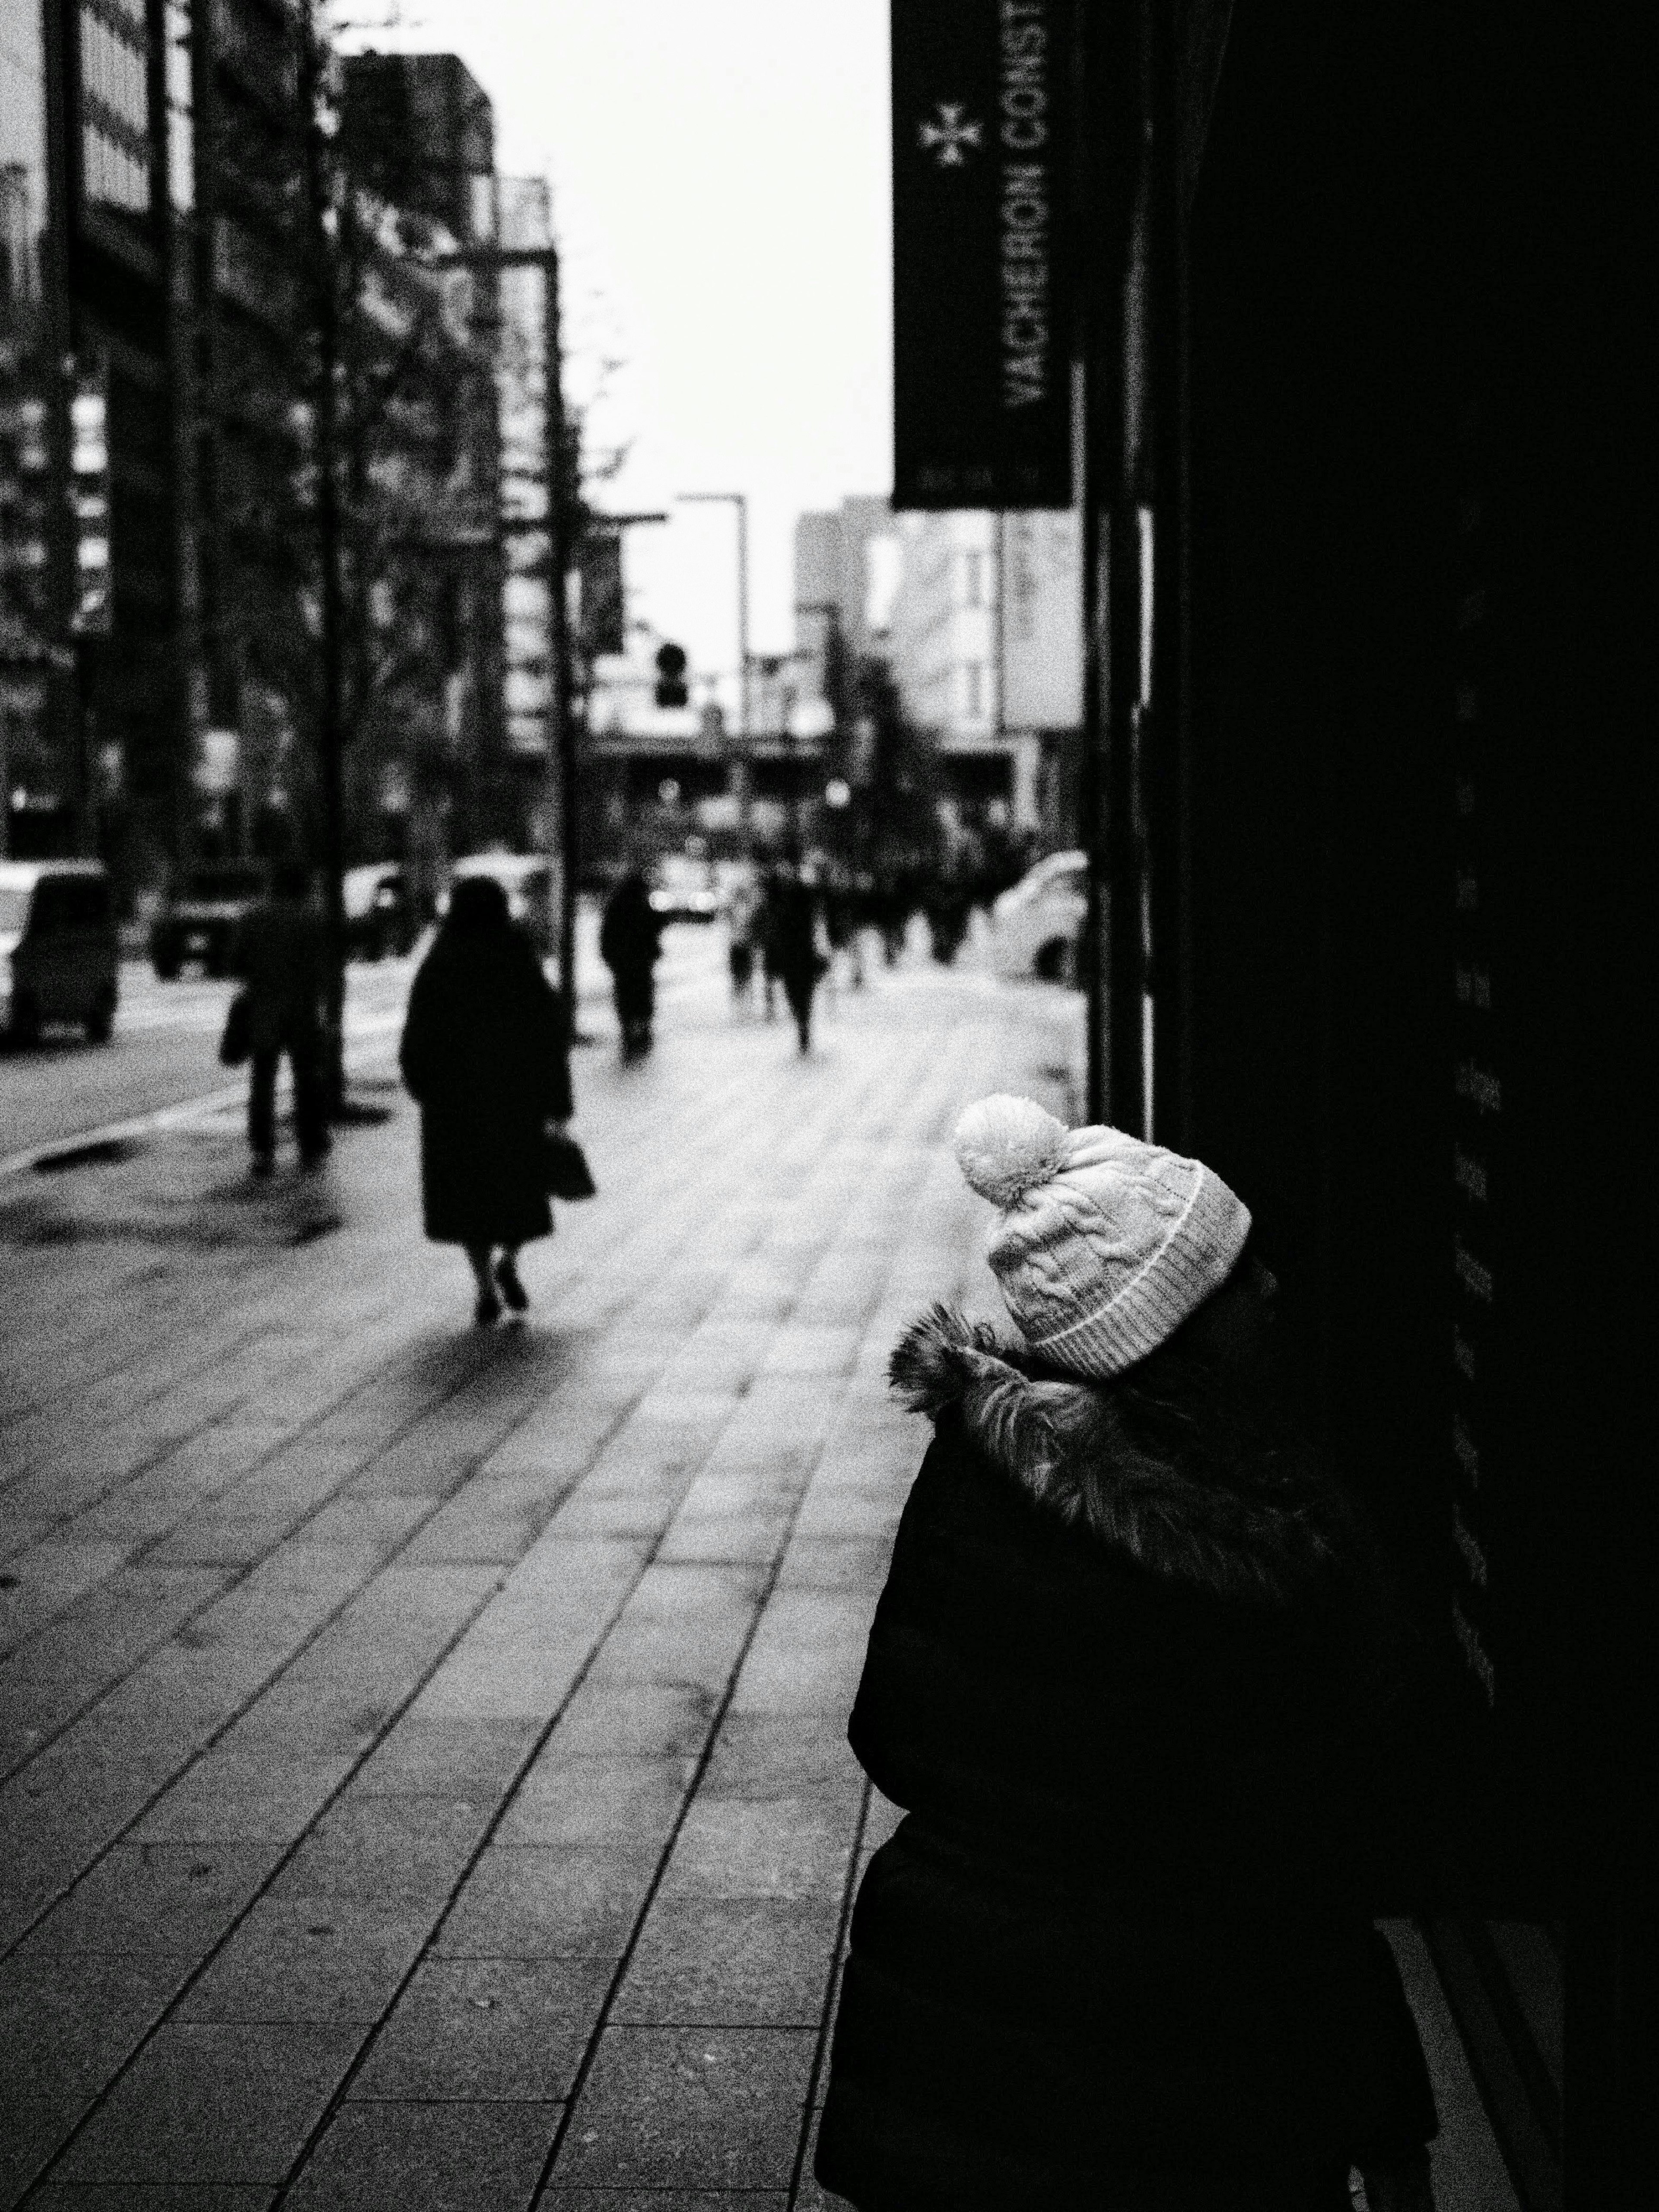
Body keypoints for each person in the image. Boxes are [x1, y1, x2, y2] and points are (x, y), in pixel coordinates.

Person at [815, 1093, 1440, 2212]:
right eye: (1238, 1275)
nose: (1274, 1289)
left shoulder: (974, 1489)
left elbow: (892, 1731)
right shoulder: (1249, 1564)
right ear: (1172, 1330)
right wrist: (1386, 2113)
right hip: (1182, 2086)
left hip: (957, 2030)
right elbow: (1301, 1882)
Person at [398, 875, 572, 1326]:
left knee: (467, 1195)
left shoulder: (442, 957)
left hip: (455, 1100)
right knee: (517, 1187)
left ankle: (483, 1286)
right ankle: (509, 1260)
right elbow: (547, 1027)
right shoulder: (516, 954)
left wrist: (422, 1083)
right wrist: (557, 1098)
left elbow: (419, 1028)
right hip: (514, 1094)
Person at [232, 858, 330, 1177]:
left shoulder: (253, 918)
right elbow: (322, 970)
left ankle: (262, 1148)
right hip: (302, 1011)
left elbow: (234, 961)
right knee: (306, 1079)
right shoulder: (311, 920)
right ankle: (311, 1142)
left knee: (262, 1082)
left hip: (263, 1009)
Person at [760, 851, 825, 1054]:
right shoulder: (786, 901)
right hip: (801, 955)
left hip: (795, 955)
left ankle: (802, 1025)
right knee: (803, 995)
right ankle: (803, 1025)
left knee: (797, 994)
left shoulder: (789, 903)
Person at [599, 866, 663, 1059]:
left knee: (625, 996)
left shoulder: (616, 907)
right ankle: (642, 1029)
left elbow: (606, 936)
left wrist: (611, 958)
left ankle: (628, 1030)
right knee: (642, 995)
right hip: (640, 962)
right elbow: (653, 928)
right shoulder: (642, 906)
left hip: (623, 963)